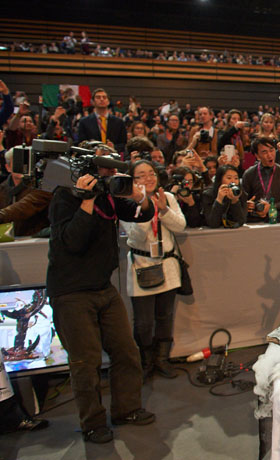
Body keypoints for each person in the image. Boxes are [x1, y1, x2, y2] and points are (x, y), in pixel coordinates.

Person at [47, 164, 156, 443]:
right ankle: (92, 423)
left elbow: (143, 214)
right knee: (86, 362)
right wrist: (86, 199)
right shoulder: (64, 196)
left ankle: (126, 409)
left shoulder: (109, 195)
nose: (111, 176)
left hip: (103, 287)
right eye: (106, 171)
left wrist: (140, 197)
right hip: (71, 292)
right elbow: (72, 242)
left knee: (126, 351)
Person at [122, 160, 186, 379]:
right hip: (142, 266)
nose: (148, 178)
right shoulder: (126, 203)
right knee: (143, 322)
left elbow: (180, 226)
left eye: (151, 173)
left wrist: (164, 209)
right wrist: (146, 210)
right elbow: (135, 238)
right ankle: (145, 361)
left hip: (167, 264)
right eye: (141, 175)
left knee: (165, 316)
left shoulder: (166, 197)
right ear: (132, 180)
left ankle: (162, 359)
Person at [0, 147, 52, 236]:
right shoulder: (2, 188)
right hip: (9, 241)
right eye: (17, 162)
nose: (23, 167)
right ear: (8, 167)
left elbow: (24, 207)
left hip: (35, 239)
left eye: (26, 162)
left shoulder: (42, 186)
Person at [242, 135, 280, 223]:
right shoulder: (249, 174)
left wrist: (271, 206)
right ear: (257, 156)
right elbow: (243, 200)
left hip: (278, 218)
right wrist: (248, 204)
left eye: (271, 150)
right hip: (254, 219)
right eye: (264, 152)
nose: (270, 155)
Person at [77, 88, 127, 153]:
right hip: (92, 156)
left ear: (108, 102)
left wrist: (113, 147)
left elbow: (123, 144)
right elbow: (81, 144)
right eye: (98, 97)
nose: (101, 99)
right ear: (92, 102)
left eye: (104, 97)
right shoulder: (84, 122)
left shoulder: (118, 122)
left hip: (113, 156)